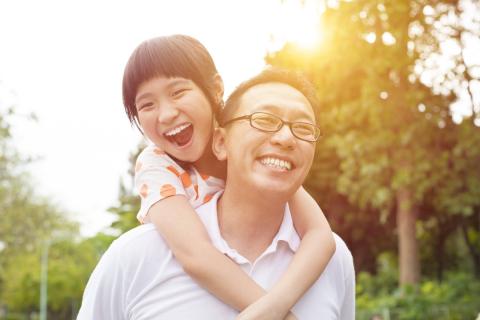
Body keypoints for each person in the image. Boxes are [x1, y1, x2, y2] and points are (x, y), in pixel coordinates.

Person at [77, 67, 355, 319]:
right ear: (221, 142)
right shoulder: (135, 255)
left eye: (303, 127)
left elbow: (321, 236)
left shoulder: (335, 260)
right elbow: (195, 254)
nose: (285, 138)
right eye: (264, 119)